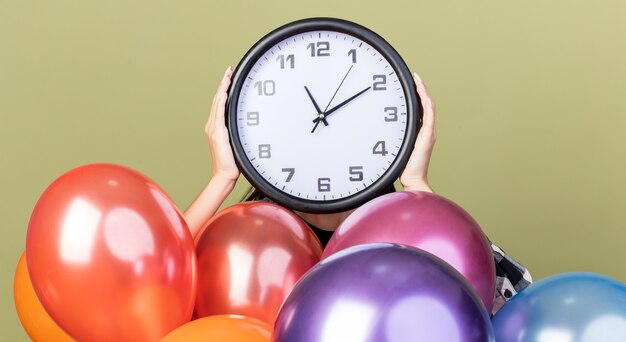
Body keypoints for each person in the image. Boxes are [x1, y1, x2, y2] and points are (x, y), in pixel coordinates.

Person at [184, 67, 532, 314]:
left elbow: (509, 301)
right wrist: (223, 178)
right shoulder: (244, 238)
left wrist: (417, 187)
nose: (326, 133)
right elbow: (158, 294)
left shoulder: (405, 231)